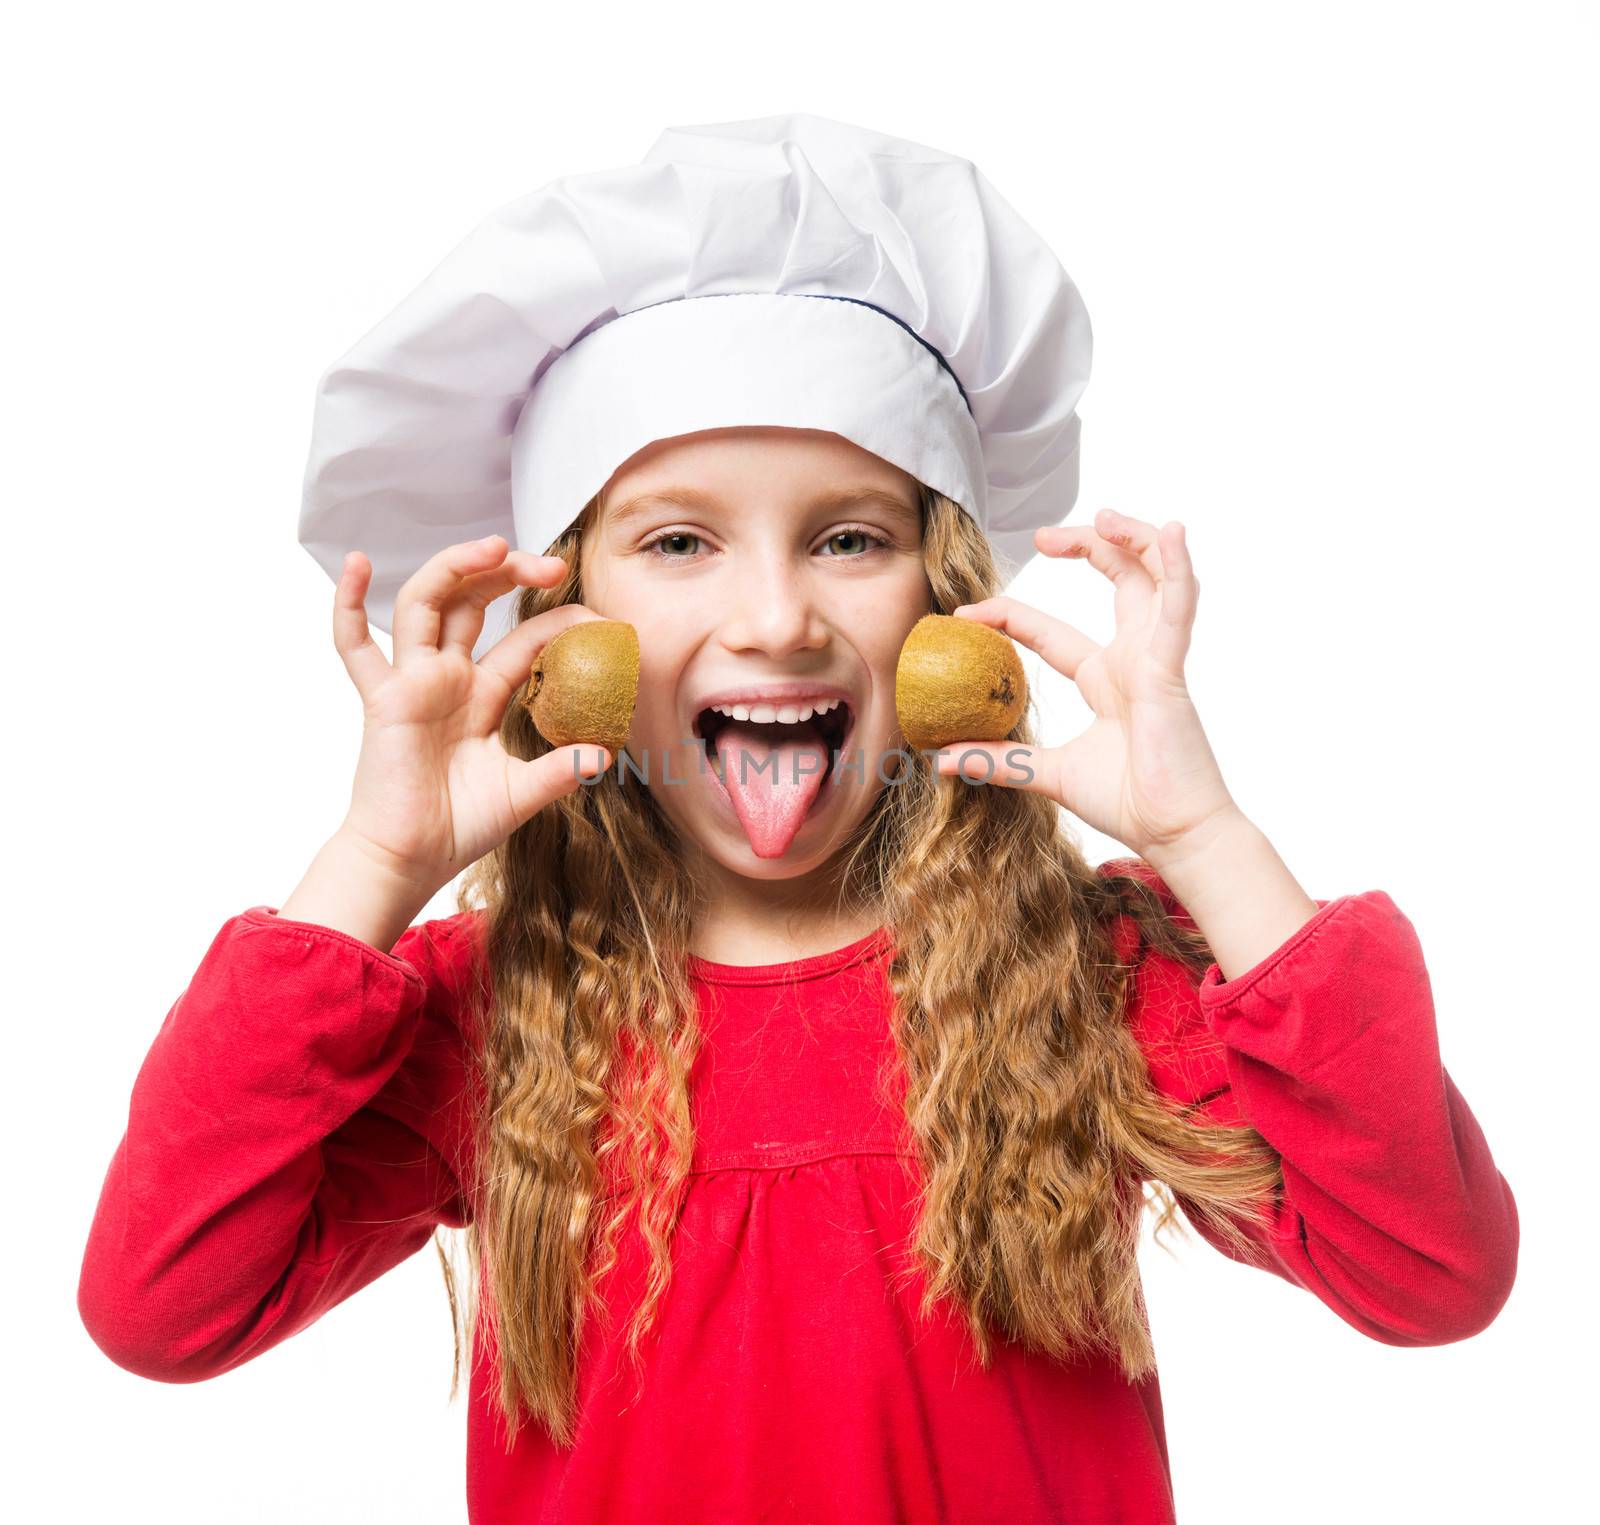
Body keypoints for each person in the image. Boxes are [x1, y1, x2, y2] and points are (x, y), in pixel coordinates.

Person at [77, 115, 1519, 1524]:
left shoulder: (1085, 975)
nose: (776, 617)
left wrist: (1206, 835)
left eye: (849, 536)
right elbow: (162, 1301)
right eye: (679, 541)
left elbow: (1430, 1270)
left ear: (945, 608)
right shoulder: (495, 1010)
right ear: (566, 630)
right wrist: (372, 868)